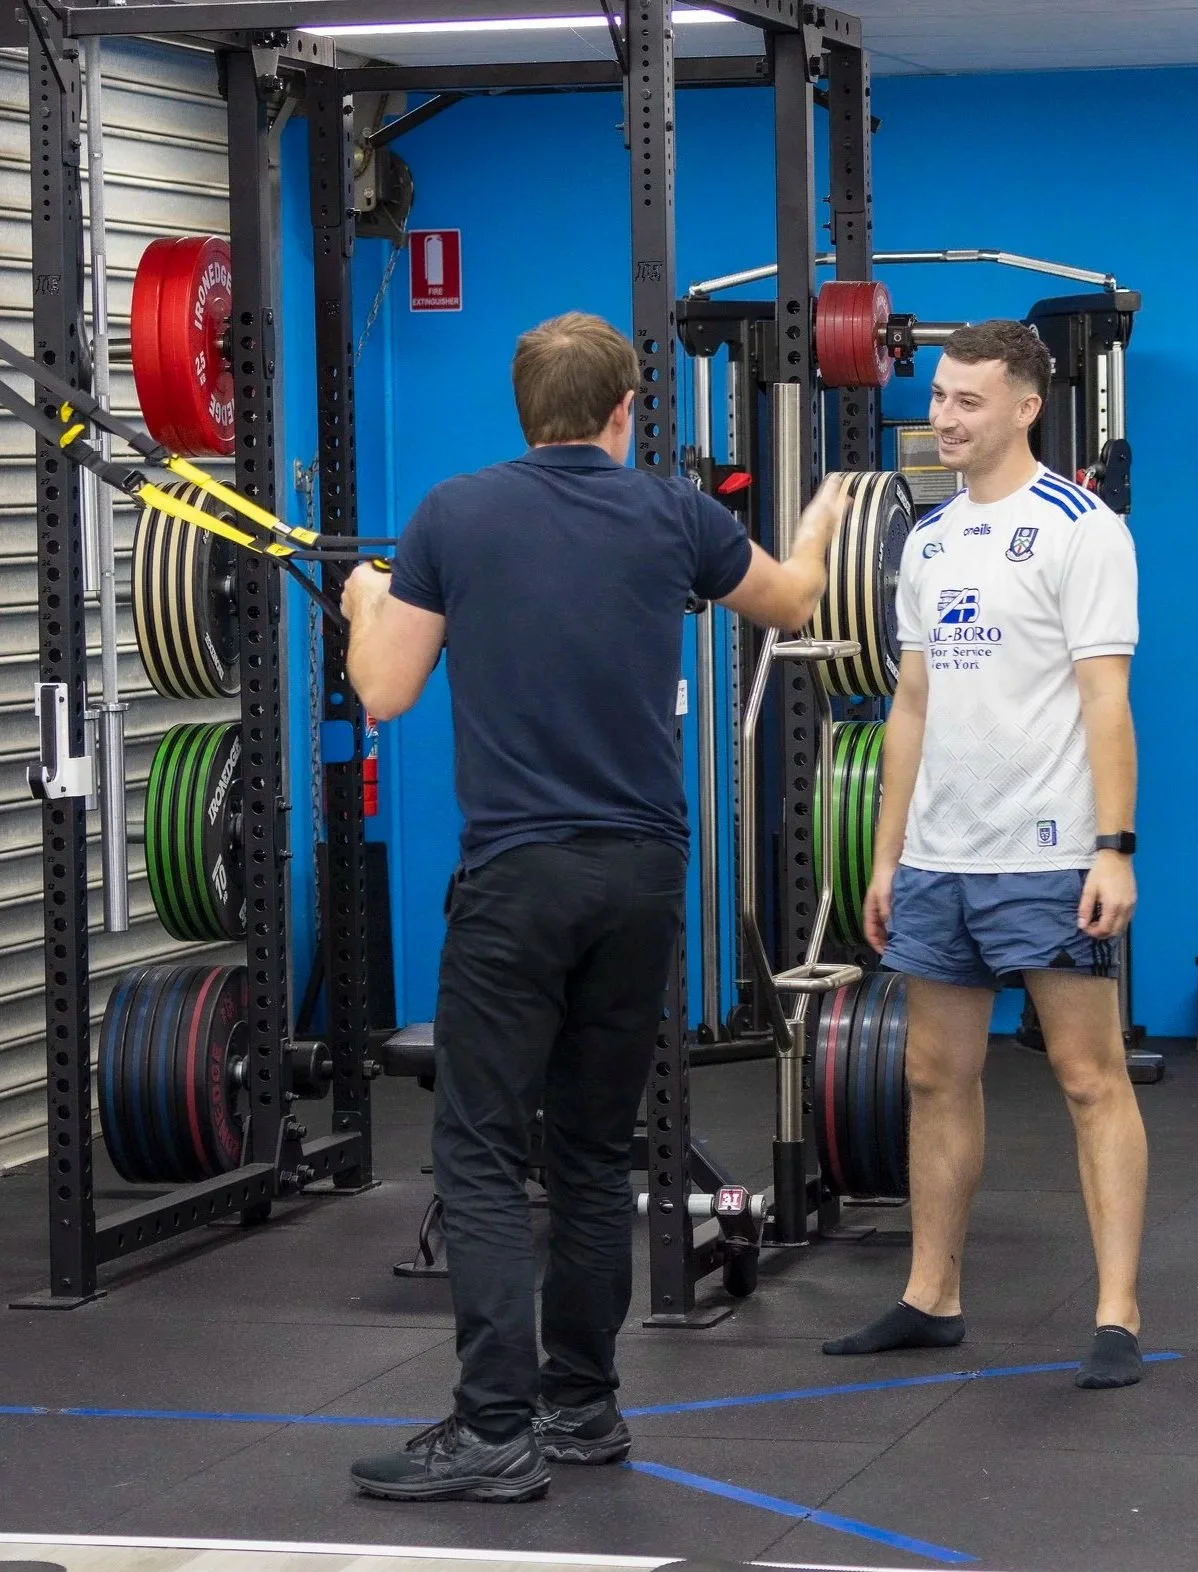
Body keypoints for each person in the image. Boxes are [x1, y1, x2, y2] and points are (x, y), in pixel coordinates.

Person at [340, 312, 851, 1502]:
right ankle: (580, 1410)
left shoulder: (451, 516)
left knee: (474, 1152)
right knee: (583, 1154)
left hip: (519, 881)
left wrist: (370, 598)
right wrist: (817, 521)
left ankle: (492, 1427)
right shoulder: (676, 512)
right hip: (641, 879)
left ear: (524, 408)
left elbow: (385, 690)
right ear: (625, 408)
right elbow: (794, 603)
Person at [823, 319, 1148, 1391]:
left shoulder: (1081, 528)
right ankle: (932, 1296)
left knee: (1088, 1078)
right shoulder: (926, 539)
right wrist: (886, 853)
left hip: (1049, 853)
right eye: (938, 396)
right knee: (931, 1076)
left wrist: (1114, 848)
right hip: (938, 860)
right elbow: (910, 703)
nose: (943, 417)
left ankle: (1115, 1313)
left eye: (968, 399)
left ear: (1025, 406)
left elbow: (1108, 700)